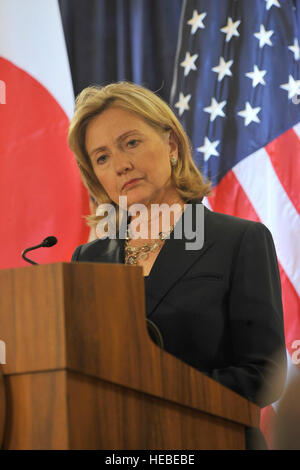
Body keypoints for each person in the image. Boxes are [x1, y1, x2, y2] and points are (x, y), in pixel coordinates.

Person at [68, 81, 286, 448]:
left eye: (131, 143)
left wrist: (159, 392)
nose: (121, 165)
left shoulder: (238, 240)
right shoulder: (87, 259)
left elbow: (264, 374)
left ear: (171, 145)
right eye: (102, 157)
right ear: (96, 177)